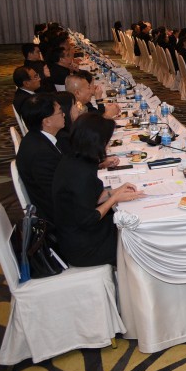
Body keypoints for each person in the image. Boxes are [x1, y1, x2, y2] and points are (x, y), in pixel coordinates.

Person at [52, 113, 142, 266]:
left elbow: (87, 198)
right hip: (84, 247)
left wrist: (115, 191)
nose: (107, 146)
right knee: (136, 237)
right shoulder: (82, 173)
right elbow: (88, 219)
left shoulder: (73, 158)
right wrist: (114, 198)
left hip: (74, 233)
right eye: (106, 142)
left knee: (128, 222)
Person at [15, 94, 65, 220]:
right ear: (47, 121)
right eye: (60, 112)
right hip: (62, 219)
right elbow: (62, 194)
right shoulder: (41, 154)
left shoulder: (36, 138)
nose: (64, 114)